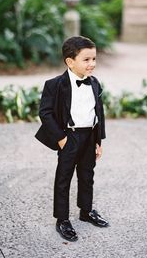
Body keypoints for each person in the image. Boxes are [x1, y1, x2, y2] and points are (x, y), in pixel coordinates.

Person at [35, 36, 109, 242]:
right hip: (69, 136)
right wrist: (61, 139)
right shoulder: (55, 84)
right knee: (64, 178)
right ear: (70, 61)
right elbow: (45, 113)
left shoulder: (94, 83)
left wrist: (98, 141)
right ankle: (62, 219)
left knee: (87, 175)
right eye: (86, 60)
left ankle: (86, 211)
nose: (92, 64)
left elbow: (98, 113)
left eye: (94, 59)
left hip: (89, 136)